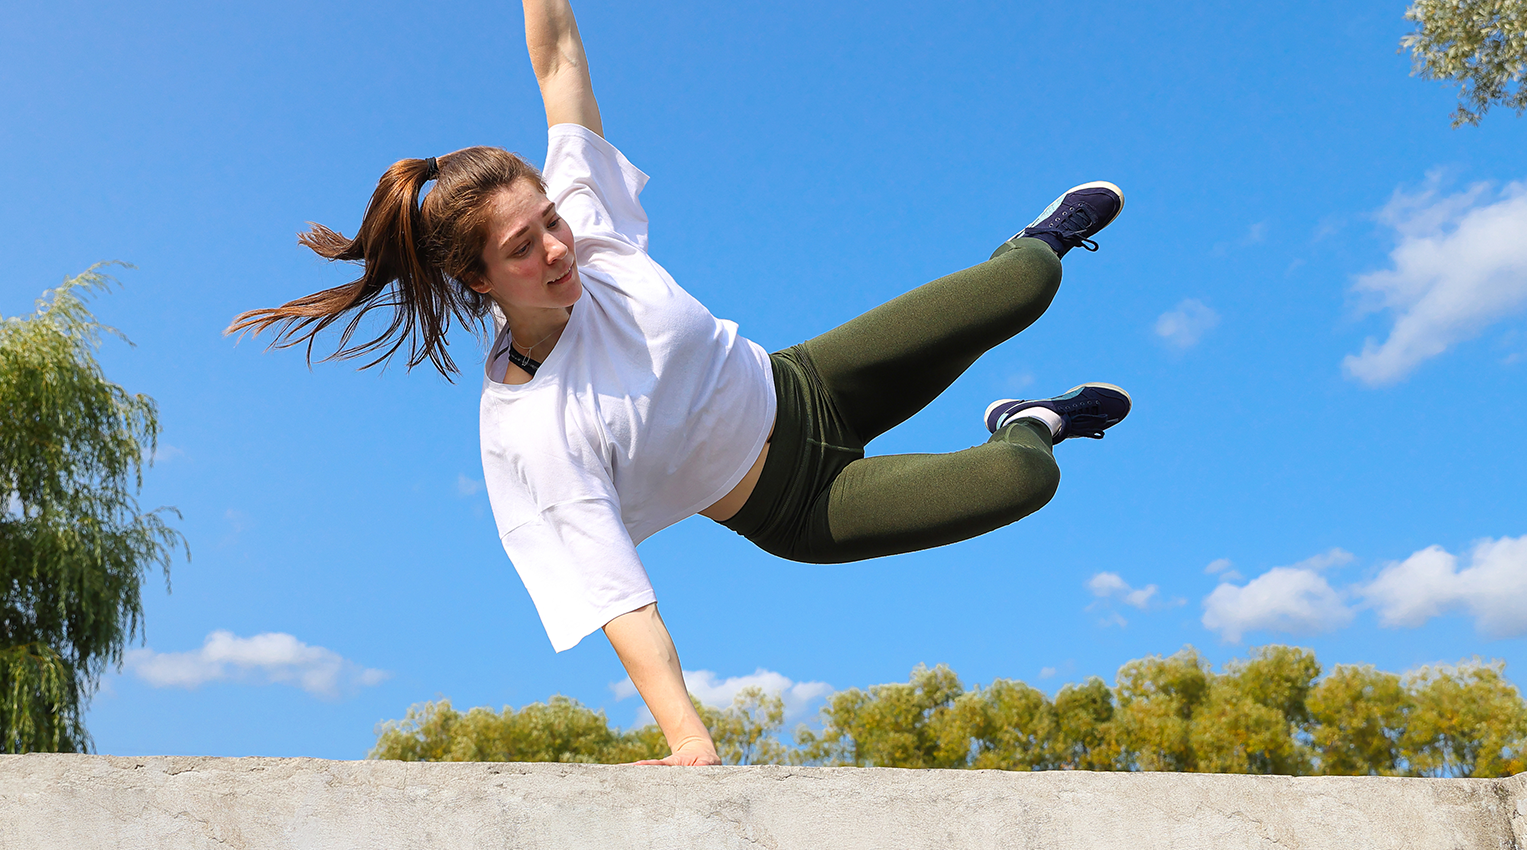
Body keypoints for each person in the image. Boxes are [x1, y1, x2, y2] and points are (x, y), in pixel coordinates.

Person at [228, 0, 1132, 766]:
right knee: (1026, 479)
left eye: (550, 219)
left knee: (1028, 281)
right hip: (803, 505)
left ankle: (1040, 243)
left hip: (812, 383)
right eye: (523, 248)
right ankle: (1030, 421)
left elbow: (558, 59)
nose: (556, 248)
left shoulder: (591, 227)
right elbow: (618, 593)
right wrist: (688, 737)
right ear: (478, 282)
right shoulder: (530, 429)